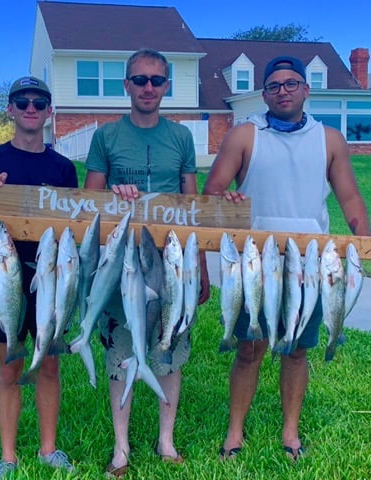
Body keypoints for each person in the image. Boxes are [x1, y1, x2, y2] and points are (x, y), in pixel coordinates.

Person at [202, 56, 371, 462]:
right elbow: (212, 192)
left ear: (307, 90)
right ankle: (234, 434)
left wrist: (364, 239)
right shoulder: (244, 135)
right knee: (249, 348)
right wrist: (227, 199)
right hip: (254, 260)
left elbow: (349, 197)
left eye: (292, 84)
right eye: (274, 86)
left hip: (310, 262)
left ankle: (290, 433)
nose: (283, 91)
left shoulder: (329, 139)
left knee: (296, 350)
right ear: (264, 94)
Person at [83, 48, 211, 478]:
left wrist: (202, 267)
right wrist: (113, 194)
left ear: (167, 86)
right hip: (122, 257)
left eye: (157, 80)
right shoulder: (105, 137)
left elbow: (192, 207)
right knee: (121, 345)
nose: (149, 88)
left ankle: (165, 440)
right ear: (127, 85)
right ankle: (121, 449)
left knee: (170, 345)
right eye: (140, 80)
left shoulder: (181, 138)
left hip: (173, 258)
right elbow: (90, 205)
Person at [0, 76, 78, 479]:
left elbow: (74, 228)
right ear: (10, 109)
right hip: (4, 278)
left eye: (39, 102)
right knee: (9, 367)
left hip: (50, 282)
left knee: (48, 364)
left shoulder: (63, 168)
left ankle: (48, 449)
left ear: (49, 111)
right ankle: (8, 457)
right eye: (22, 102)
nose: (31, 108)